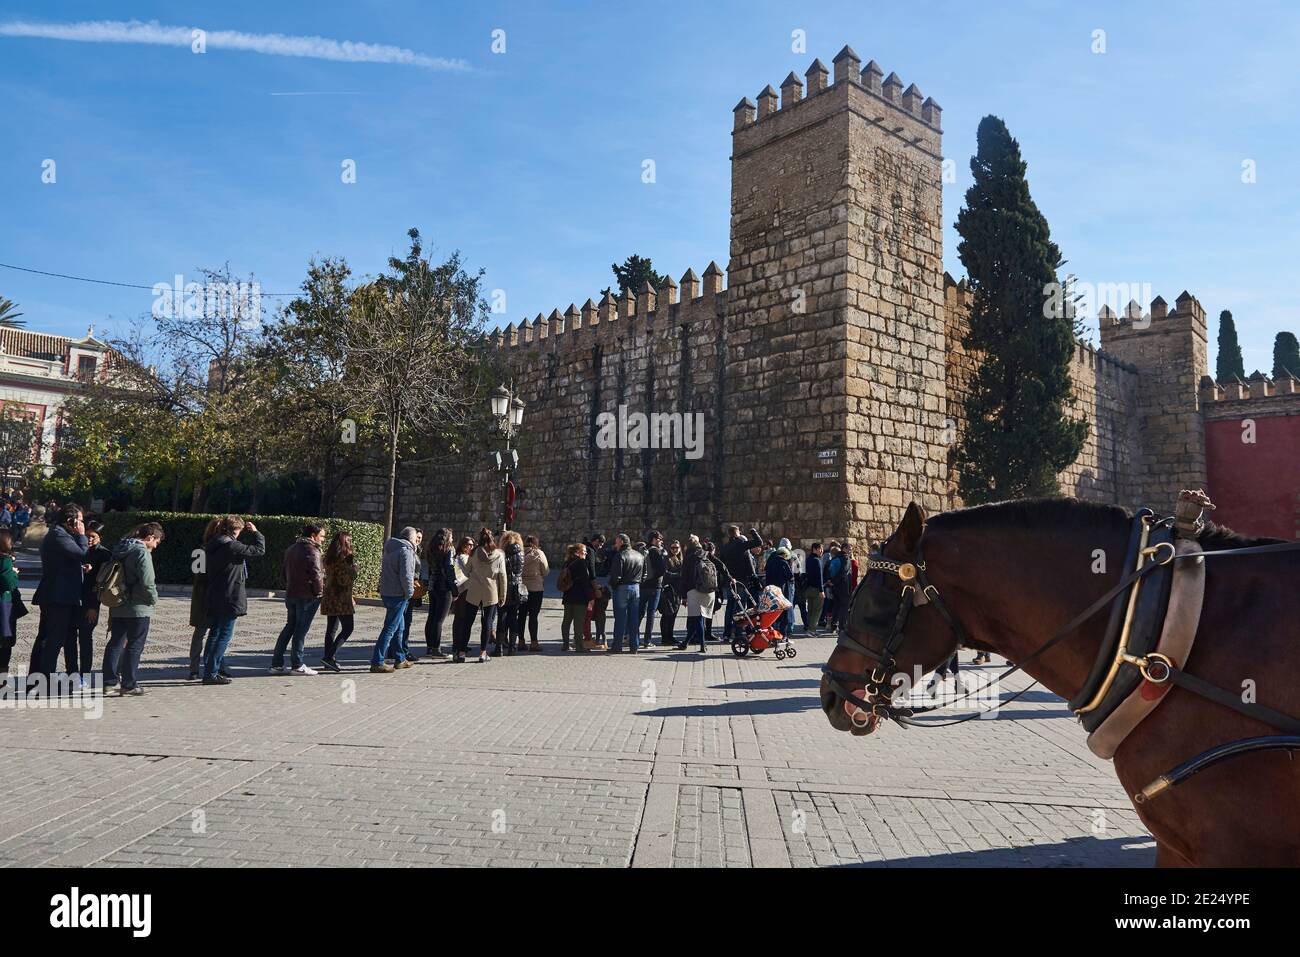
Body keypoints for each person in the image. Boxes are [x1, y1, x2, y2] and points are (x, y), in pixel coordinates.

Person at [201, 516, 266, 685]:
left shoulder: (214, 543)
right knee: (224, 635)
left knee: (214, 634)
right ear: (238, 529)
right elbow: (259, 550)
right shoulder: (231, 545)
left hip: (215, 593)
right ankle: (212, 673)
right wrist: (257, 533)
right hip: (230, 595)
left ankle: (209, 670)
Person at [101, 522, 163, 696]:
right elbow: (147, 581)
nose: (156, 546)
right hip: (138, 606)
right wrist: (153, 599)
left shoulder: (120, 548)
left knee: (115, 642)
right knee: (135, 645)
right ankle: (129, 684)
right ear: (150, 537)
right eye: (156, 542)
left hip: (118, 603)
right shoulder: (141, 552)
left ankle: (109, 683)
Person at [30, 503, 89, 681]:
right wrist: (82, 536)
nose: (81, 524)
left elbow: (68, 560)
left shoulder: (61, 534)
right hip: (58, 597)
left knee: (56, 638)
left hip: (62, 595)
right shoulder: (59, 535)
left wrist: (79, 569)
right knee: (52, 640)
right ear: (70, 520)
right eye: (79, 520)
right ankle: (42, 679)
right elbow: (82, 553)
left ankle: (44, 678)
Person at [269, 523, 325, 676]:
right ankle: (297, 664)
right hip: (307, 596)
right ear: (313, 535)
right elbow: (316, 574)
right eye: (321, 536)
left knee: (290, 627)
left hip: (291, 593)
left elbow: (283, 572)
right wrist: (319, 593)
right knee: (301, 630)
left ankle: (276, 664)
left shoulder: (291, 549)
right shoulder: (312, 550)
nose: (323, 540)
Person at [68, 520, 111, 688]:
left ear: (100, 537)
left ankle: (84, 674)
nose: (89, 539)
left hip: (90, 603)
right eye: (87, 536)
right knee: (70, 638)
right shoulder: (78, 549)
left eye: (93, 536)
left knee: (86, 639)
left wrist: (94, 606)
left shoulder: (105, 555)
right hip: (73, 600)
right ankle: (72, 673)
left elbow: (102, 585)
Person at [371, 527, 420, 673]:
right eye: (416, 539)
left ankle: (400, 658)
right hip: (398, 594)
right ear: (410, 538)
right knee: (390, 628)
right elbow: (406, 575)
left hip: (388, 592)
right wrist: (410, 592)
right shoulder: (406, 551)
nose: (417, 541)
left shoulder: (391, 548)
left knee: (400, 627)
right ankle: (377, 661)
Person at [461, 526, 506, 663]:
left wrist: (474, 576)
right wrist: (502, 595)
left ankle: (462, 652)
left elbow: (467, 569)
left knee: (467, 622)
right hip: (491, 590)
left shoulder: (474, 552)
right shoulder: (499, 554)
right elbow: (503, 576)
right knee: (487, 622)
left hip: (474, 590)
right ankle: (483, 652)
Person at [187, 518, 222, 680]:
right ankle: (197, 668)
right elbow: (198, 575)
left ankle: (207, 667)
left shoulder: (201, 550)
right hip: (206, 597)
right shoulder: (202, 551)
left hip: (206, 596)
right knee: (207, 634)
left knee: (212, 634)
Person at [320, 530, 358, 672]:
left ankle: (328, 659)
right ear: (345, 543)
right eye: (350, 541)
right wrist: (354, 570)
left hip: (330, 596)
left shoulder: (329, 557)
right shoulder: (343, 559)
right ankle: (329, 657)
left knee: (332, 628)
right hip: (340, 599)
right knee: (348, 628)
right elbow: (343, 580)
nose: (351, 544)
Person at [720, 525, 764, 640]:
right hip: (742, 580)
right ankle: (738, 632)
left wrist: (728, 578)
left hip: (730, 581)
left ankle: (726, 633)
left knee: (729, 607)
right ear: (737, 533)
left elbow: (722, 566)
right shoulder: (741, 545)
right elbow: (759, 541)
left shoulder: (725, 547)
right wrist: (753, 531)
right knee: (740, 607)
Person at [422, 528, 455, 659]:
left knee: (432, 617)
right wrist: (454, 589)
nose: (453, 539)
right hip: (444, 587)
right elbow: (450, 569)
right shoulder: (449, 549)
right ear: (447, 537)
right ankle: (436, 649)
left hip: (433, 586)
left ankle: (430, 647)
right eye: (451, 537)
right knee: (439, 619)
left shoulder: (431, 548)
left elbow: (429, 567)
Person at [607, 533, 644, 653]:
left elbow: (616, 576)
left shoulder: (620, 555)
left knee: (620, 618)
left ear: (622, 542)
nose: (615, 544)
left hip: (622, 587)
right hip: (636, 587)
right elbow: (645, 574)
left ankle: (617, 646)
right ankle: (634, 646)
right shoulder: (639, 555)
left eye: (617, 541)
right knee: (634, 619)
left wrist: (613, 585)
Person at [678, 536, 715, 654]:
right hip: (709, 589)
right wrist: (730, 578)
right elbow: (719, 566)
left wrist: (683, 596)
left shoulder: (689, 557)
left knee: (697, 618)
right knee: (697, 619)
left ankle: (703, 644)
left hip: (694, 590)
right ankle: (685, 643)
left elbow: (683, 578)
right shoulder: (706, 554)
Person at [559, 543, 594, 652]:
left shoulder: (567, 562)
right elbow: (585, 581)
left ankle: (565, 644)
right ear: (577, 552)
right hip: (580, 597)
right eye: (583, 551)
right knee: (578, 622)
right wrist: (590, 597)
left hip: (568, 595)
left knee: (566, 621)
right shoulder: (582, 563)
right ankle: (579, 646)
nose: (586, 553)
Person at [638, 531, 667, 650]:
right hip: (655, 586)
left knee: (639, 613)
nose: (661, 542)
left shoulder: (643, 550)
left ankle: (633, 638)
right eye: (660, 539)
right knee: (651, 614)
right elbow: (661, 570)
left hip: (643, 585)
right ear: (654, 539)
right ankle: (647, 641)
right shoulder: (656, 551)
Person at [499, 530, 526, 655]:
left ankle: (499, 647)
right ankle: (512, 648)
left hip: (504, 588)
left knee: (502, 617)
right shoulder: (521, 554)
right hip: (517, 588)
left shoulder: (502, 554)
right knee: (513, 617)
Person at [521, 534, 549, 653]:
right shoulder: (539, 553)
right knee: (533, 616)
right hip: (536, 588)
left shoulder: (520, 553)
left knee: (521, 616)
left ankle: (520, 641)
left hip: (522, 588)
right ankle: (534, 642)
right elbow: (546, 570)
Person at [449, 535, 475, 663]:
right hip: (463, 591)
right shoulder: (463, 558)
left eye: (472, 545)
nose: (470, 547)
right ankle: (458, 646)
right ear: (463, 545)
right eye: (468, 545)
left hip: (463, 591)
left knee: (459, 619)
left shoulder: (461, 557)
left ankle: (458, 645)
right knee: (461, 620)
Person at [0, 529, 20, 680]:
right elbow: (9, 583)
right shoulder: (5, 560)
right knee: (5, 642)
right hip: (3, 606)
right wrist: (14, 572)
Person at [765, 542, 795, 639]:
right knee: (783, 613)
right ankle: (783, 635)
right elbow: (790, 577)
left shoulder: (770, 562)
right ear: (784, 554)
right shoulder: (783, 562)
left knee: (772, 613)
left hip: (770, 591)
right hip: (781, 591)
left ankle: (771, 634)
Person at [658, 539, 683, 647]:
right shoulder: (666, 559)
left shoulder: (680, 559)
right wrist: (678, 575)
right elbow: (665, 574)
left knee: (673, 615)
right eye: (672, 548)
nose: (675, 550)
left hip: (677, 591)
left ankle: (670, 636)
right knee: (666, 615)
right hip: (668, 590)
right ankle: (665, 638)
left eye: (676, 548)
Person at [803, 542, 825, 636]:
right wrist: (821, 590)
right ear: (815, 549)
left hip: (808, 588)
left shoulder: (808, 559)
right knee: (817, 610)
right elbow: (819, 577)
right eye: (820, 549)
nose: (822, 551)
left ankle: (809, 628)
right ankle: (812, 630)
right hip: (816, 589)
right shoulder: (817, 560)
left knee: (810, 609)